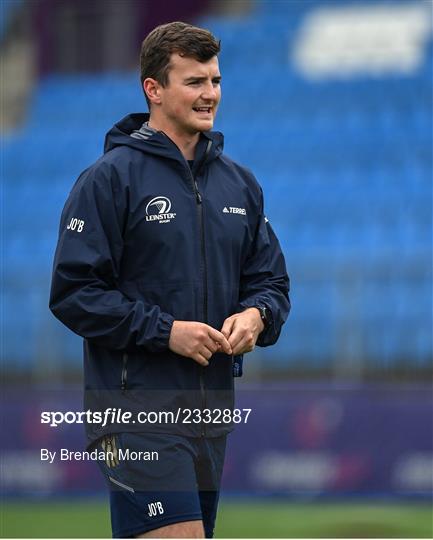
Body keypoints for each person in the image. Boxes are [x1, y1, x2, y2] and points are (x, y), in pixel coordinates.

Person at [50, 21, 290, 539]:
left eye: (216, 81)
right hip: (136, 413)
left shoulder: (240, 184)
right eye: (195, 82)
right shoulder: (109, 179)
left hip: (211, 416)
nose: (210, 95)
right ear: (153, 90)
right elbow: (73, 294)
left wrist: (257, 315)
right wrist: (166, 332)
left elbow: (272, 284)